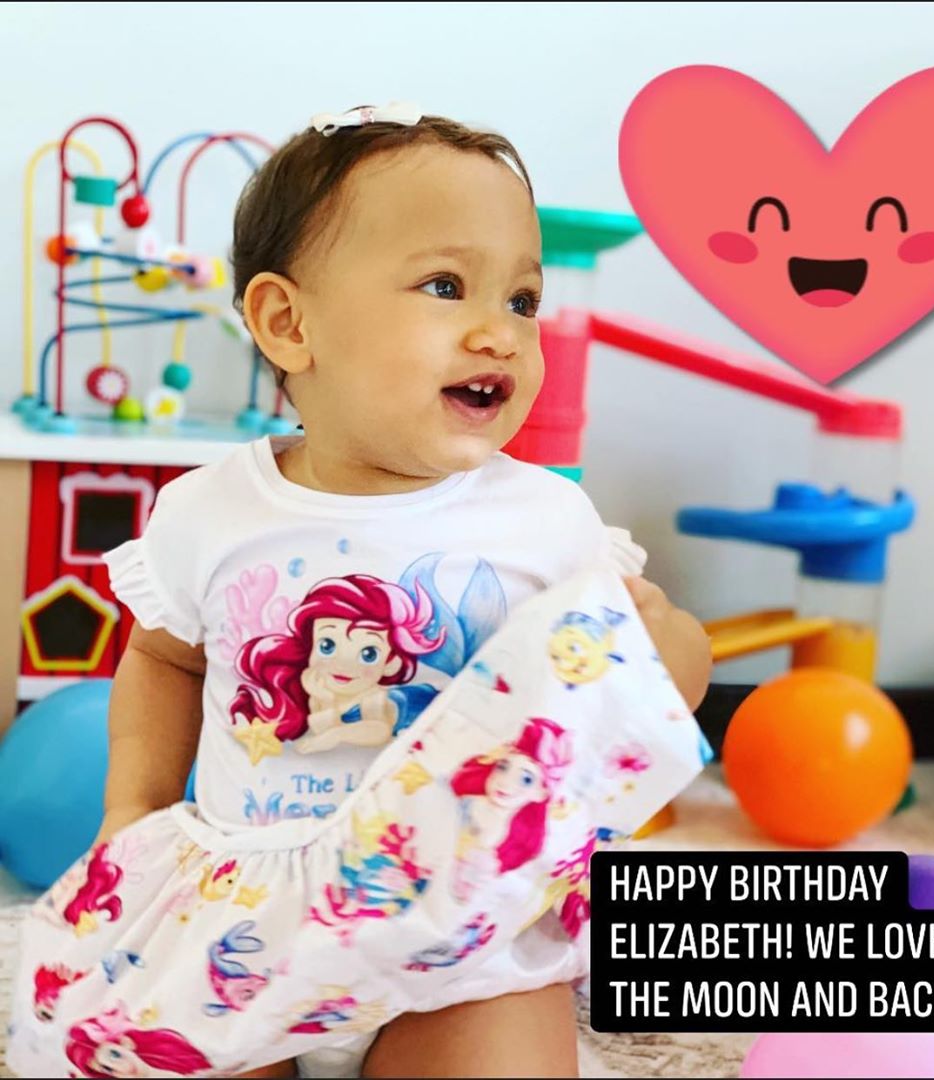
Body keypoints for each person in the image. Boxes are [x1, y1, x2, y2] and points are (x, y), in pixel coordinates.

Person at [91, 102, 712, 1078]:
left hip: (468, 939)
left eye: (522, 300)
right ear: (289, 323)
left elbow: (643, 693)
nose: (501, 333)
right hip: (249, 924)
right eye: (446, 287)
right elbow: (164, 661)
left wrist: (666, 646)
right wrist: (134, 808)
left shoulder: (547, 521)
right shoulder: (209, 511)